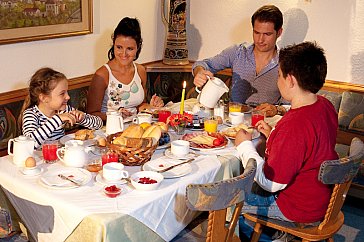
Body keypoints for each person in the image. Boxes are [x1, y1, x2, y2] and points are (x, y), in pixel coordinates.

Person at [235, 42, 338, 241]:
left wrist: (244, 146)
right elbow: (310, 147)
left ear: (290, 80)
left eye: (280, 75)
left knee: (227, 197)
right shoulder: (324, 105)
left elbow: (270, 183)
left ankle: (272, 235)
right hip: (321, 198)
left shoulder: (294, 125)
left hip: (296, 208)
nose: (278, 80)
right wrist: (274, 134)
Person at [192, 5, 286, 117]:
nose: (260, 40)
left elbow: (293, 105)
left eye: (267, 34)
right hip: (233, 121)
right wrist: (199, 72)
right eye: (256, 33)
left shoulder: (286, 62)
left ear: (279, 32)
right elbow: (202, 64)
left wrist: (276, 109)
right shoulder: (238, 52)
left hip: (266, 123)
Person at [87, 17, 164, 122]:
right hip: (109, 130)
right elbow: (91, 115)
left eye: (130, 49)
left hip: (136, 127)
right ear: (113, 45)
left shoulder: (140, 71)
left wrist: (152, 105)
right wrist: (115, 116)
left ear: (138, 48)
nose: (124, 54)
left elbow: (139, 106)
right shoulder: (102, 75)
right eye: (119, 47)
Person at [21, 68, 103, 149]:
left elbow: (99, 124)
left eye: (67, 92)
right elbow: (29, 144)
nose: (68, 97)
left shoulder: (63, 110)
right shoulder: (31, 114)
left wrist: (83, 118)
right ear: (44, 98)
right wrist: (57, 119)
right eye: (62, 93)